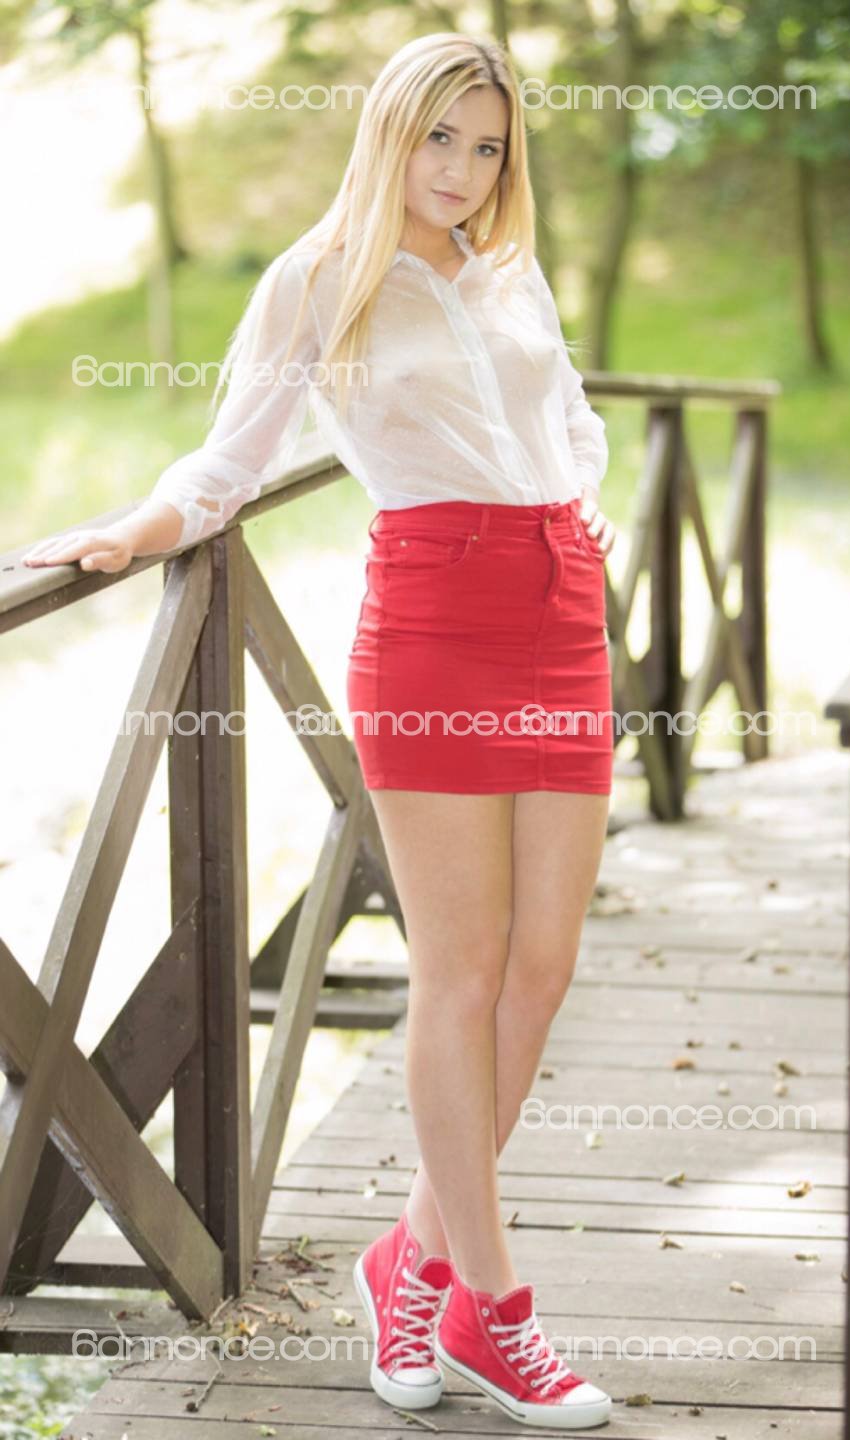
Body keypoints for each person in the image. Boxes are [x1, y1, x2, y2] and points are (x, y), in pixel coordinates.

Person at [22, 31, 615, 1431]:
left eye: (489, 147)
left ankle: (408, 1262)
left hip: (562, 609)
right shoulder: (318, 277)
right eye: (440, 138)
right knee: (462, 976)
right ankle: (490, 1310)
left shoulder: (507, 266)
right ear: (389, 130)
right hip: (435, 621)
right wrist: (139, 529)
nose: (462, 170)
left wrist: (577, 514)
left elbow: (571, 418)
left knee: (541, 971)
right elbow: (231, 457)